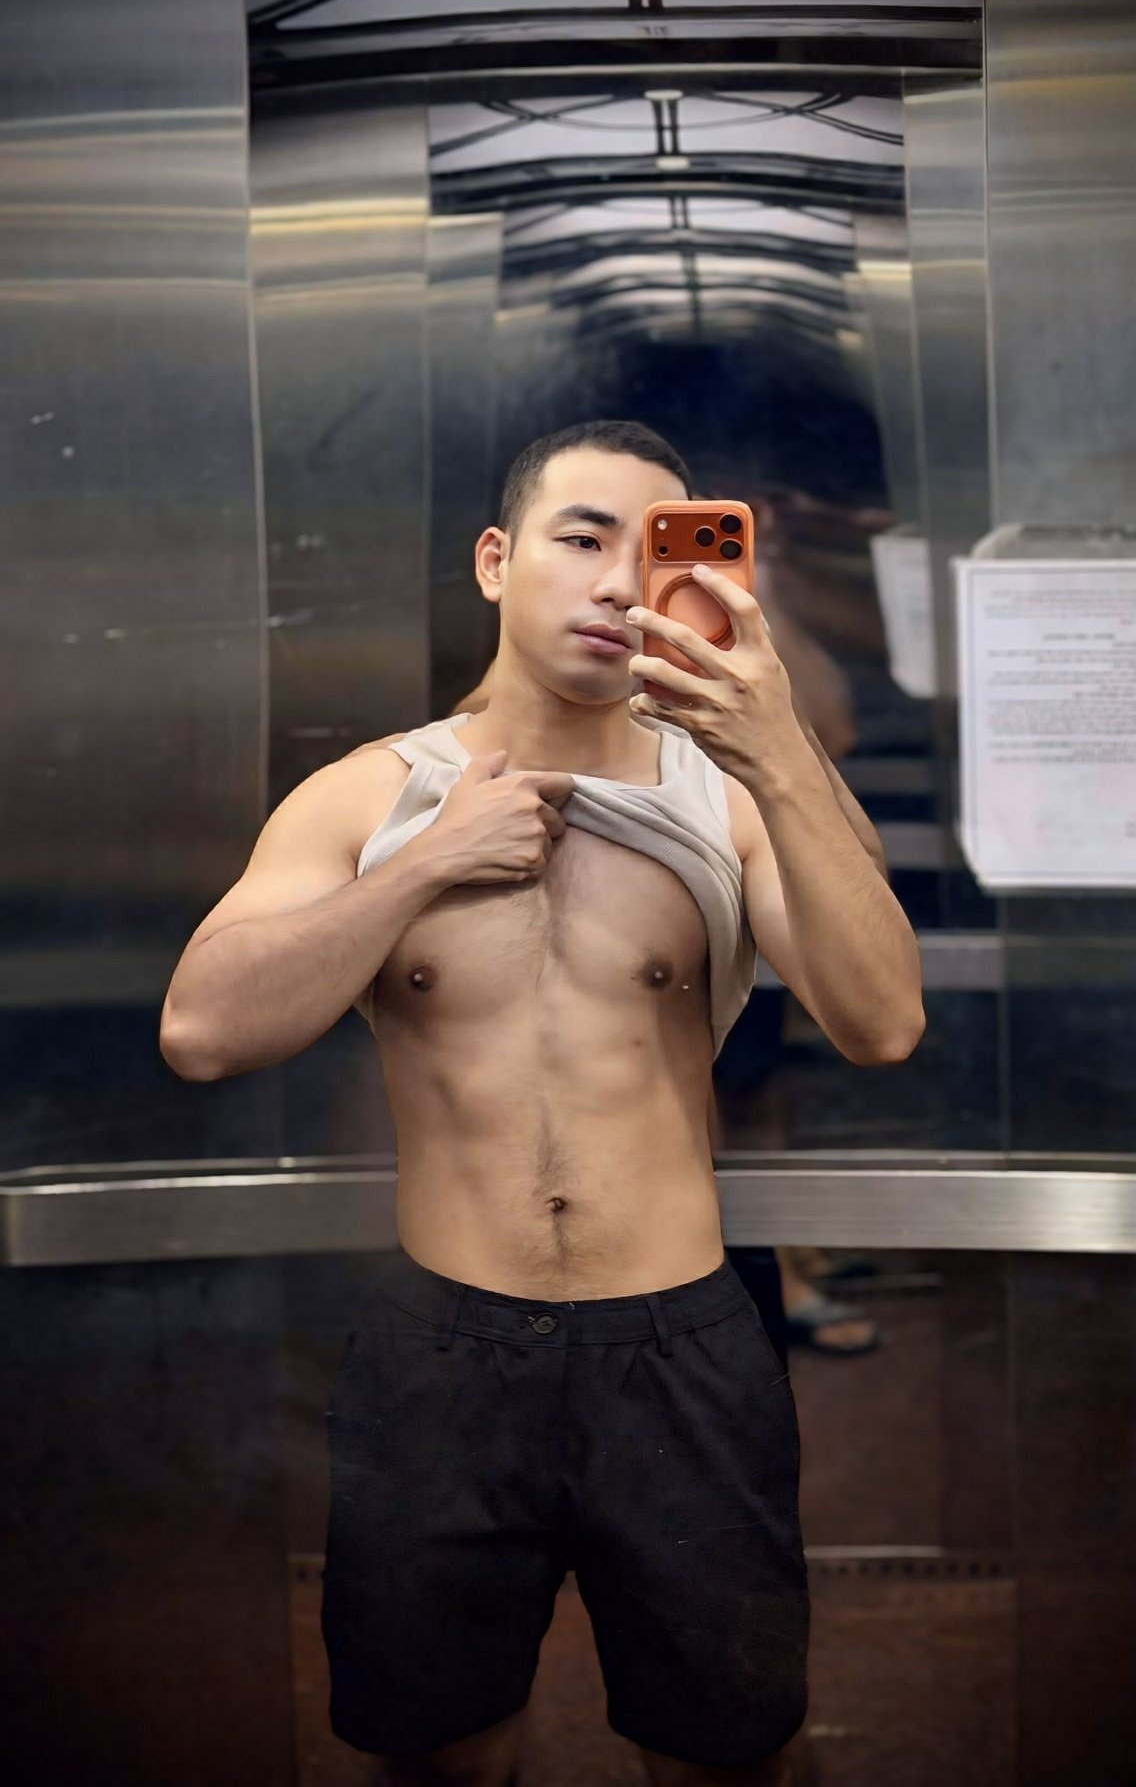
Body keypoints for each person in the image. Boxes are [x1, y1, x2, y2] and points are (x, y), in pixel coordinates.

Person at [159, 420, 925, 1787]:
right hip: (444, 1349)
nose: (621, 581)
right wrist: (426, 864)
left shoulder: (732, 799)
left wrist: (778, 750)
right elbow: (203, 1032)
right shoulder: (371, 797)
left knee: (732, 1753)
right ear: (495, 562)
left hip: (681, 1344)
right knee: (437, 1752)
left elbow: (882, 1023)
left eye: (656, 548)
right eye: (582, 538)